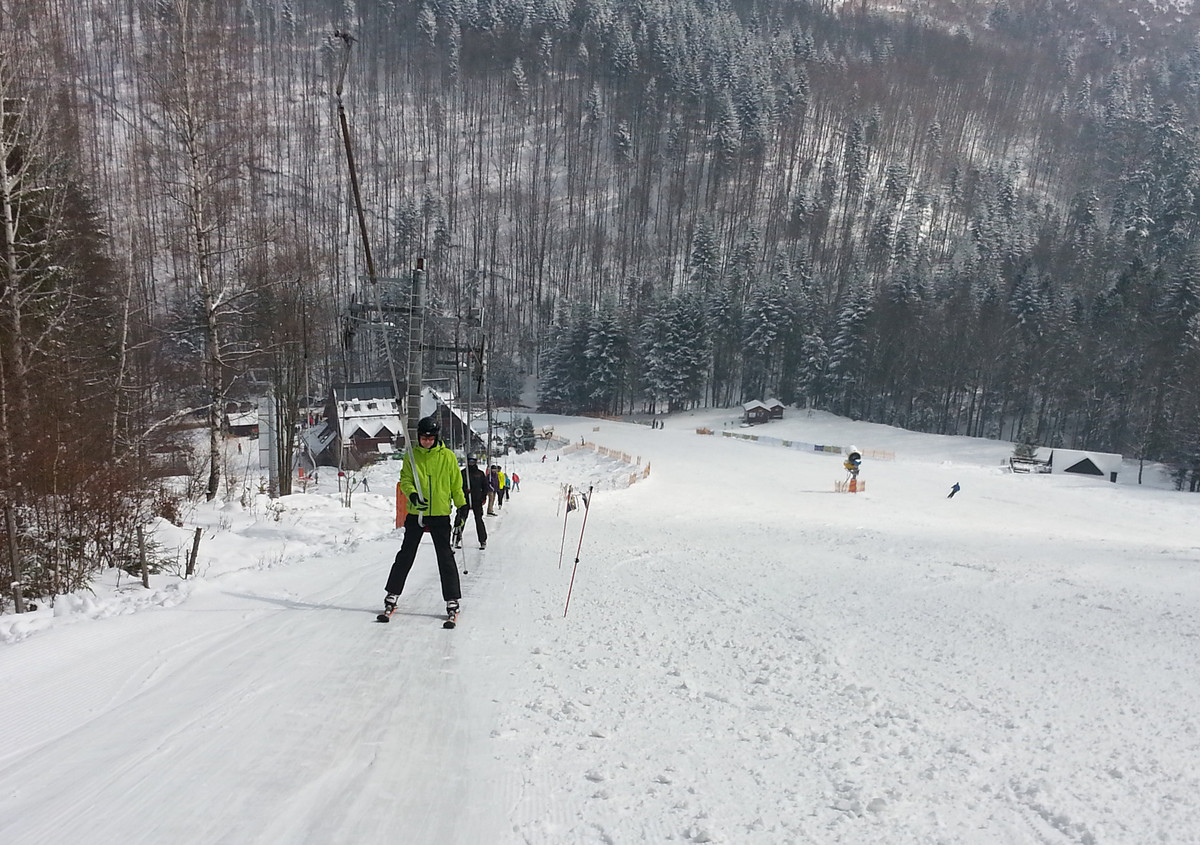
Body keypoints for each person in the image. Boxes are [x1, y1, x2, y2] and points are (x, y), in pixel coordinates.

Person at [383, 416, 466, 621]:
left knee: (445, 557)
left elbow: (456, 485)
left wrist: (462, 507)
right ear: (418, 437)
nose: (427, 441)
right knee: (406, 554)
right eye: (423, 438)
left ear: (436, 438)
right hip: (417, 513)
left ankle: (452, 599)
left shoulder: (447, 457)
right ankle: (392, 593)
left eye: (430, 438)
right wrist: (412, 495)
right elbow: (406, 480)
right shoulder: (411, 457)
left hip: (439, 514)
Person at [454, 456, 489, 550]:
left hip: (477, 499)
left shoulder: (480, 474)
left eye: (473, 461)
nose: (471, 463)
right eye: (470, 461)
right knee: (461, 518)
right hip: (464, 499)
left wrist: (483, 497)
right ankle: (456, 538)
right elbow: (458, 486)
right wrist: (465, 491)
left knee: (479, 520)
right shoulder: (463, 473)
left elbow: (485, 486)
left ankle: (482, 540)